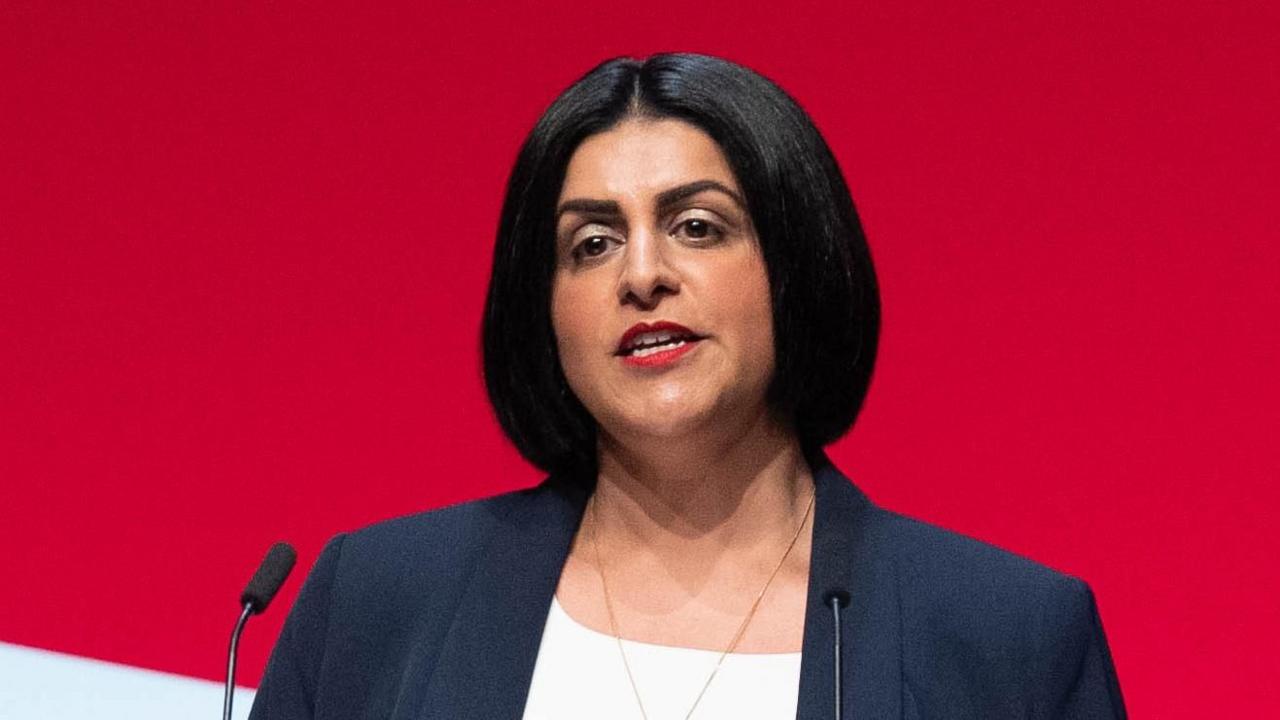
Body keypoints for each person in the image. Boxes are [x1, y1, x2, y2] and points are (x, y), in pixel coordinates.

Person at [248, 53, 1126, 719]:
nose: (641, 275)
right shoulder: (375, 598)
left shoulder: (1010, 639)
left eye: (697, 227)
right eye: (589, 244)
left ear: (794, 265)